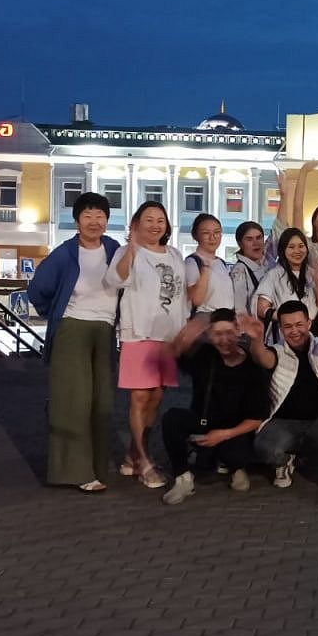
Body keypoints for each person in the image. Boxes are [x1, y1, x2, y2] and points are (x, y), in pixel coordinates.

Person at [26, 192, 121, 492]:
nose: (94, 221)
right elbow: (37, 289)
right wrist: (56, 313)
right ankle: (76, 472)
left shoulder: (114, 249)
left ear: (107, 220)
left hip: (105, 330)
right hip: (73, 327)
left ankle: (97, 468)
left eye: (100, 215)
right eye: (87, 215)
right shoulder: (65, 253)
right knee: (73, 401)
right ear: (77, 220)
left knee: (102, 402)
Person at [103, 200, 199, 489]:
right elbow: (114, 280)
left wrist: (183, 332)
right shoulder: (128, 251)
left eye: (160, 220)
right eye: (149, 219)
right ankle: (144, 461)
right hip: (140, 333)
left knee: (156, 396)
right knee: (139, 397)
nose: (156, 225)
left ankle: (133, 454)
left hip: (167, 337)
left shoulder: (174, 254)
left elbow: (181, 296)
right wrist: (132, 249)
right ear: (136, 223)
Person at [239, 301, 318, 503]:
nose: (294, 331)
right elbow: (262, 358)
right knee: (263, 445)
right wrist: (257, 339)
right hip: (286, 426)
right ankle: (285, 461)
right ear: (280, 328)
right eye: (288, 326)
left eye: (299, 324)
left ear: (309, 323)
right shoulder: (277, 351)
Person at [160, 308, 270, 504]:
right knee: (172, 418)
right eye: (217, 334)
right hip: (204, 422)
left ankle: (235, 467)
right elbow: (172, 352)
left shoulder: (252, 365)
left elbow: (256, 418)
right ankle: (183, 478)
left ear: (238, 331)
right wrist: (189, 332)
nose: (224, 340)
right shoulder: (205, 355)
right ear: (209, 335)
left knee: (235, 455)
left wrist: (222, 435)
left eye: (229, 333)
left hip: (234, 430)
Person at [253, 227, 318, 330]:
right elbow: (261, 308)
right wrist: (287, 320)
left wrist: (317, 278)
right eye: (291, 247)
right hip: (284, 331)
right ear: (283, 250)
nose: (297, 251)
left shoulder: (312, 273)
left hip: (309, 331)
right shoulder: (274, 275)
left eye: (301, 246)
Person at [187, 213, 233, 316]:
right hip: (205, 320)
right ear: (195, 236)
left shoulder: (222, 263)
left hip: (225, 319)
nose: (212, 237)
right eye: (206, 233)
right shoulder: (192, 262)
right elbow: (196, 299)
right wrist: (205, 269)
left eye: (216, 232)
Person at [230, 220, 267, 314]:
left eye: (258, 238)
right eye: (249, 239)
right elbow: (240, 310)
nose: (256, 243)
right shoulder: (239, 271)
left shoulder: (268, 262)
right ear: (240, 244)